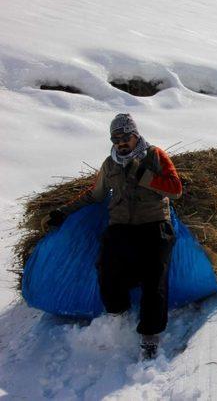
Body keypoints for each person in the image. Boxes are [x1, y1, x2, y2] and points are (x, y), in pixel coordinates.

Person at [42, 113, 182, 360]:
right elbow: (94, 195)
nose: (121, 142)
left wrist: (143, 176)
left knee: (154, 277)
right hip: (121, 226)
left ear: (135, 135)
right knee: (107, 267)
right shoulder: (110, 163)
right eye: (115, 138)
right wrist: (62, 212)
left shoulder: (155, 155)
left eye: (125, 137)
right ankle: (118, 313)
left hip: (154, 224)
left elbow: (176, 189)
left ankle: (150, 336)